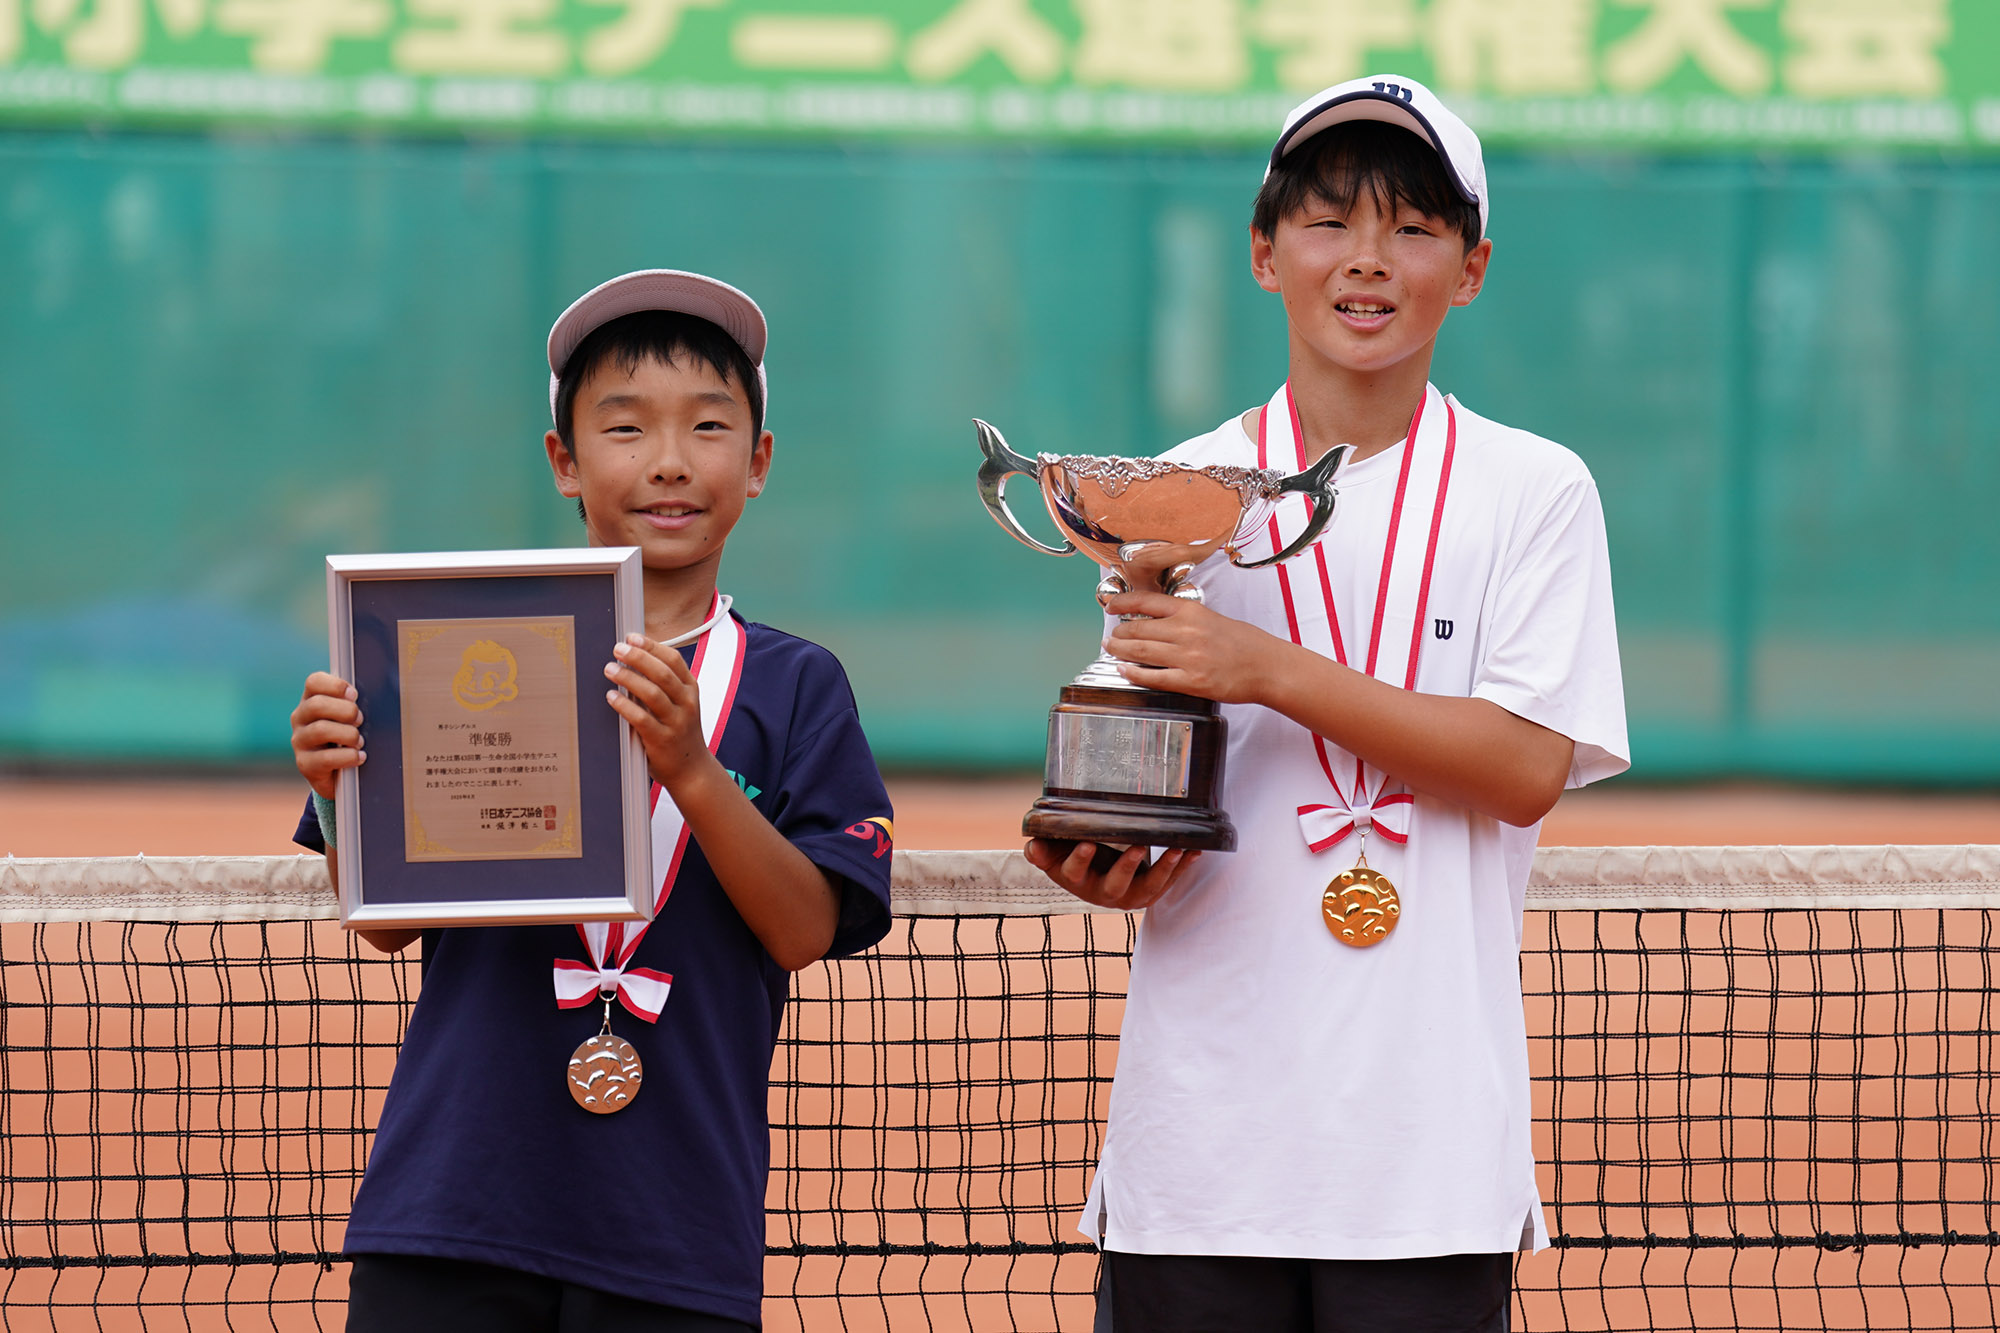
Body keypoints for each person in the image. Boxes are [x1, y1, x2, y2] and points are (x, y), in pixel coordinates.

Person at [1024, 76, 1630, 1332]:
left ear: (1469, 269)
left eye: (1411, 227)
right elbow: (1149, 780)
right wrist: (1107, 850)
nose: (1367, 258)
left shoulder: (1534, 490)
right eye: (1326, 222)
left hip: (1426, 1167)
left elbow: (1524, 767)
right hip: (1199, 1161)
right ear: (1263, 254)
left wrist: (1265, 668)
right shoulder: (1177, 487)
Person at [288, 269, 897, 1332]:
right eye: (624, 426)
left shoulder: (798, 685)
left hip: (673, 1225)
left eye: (708, 425)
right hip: (453, 1205)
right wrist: (336, 786)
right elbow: (383, 922)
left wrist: (691, 769)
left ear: (758, 462)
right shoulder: (453, 652)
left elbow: (803, 930)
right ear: (564, 461)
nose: (669, 460)